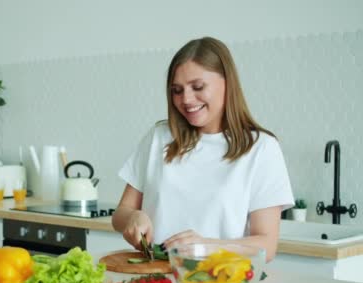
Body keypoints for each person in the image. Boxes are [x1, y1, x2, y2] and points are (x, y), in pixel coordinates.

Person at [112, 37, 293, 262]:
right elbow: (121, 214)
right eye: (177, 90)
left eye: (198, 87)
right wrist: (133, 217)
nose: (186, 99)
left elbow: (266, 244)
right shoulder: (159, 137)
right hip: (154, 279)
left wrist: (207, 247)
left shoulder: (261, 148)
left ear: (227, 82)